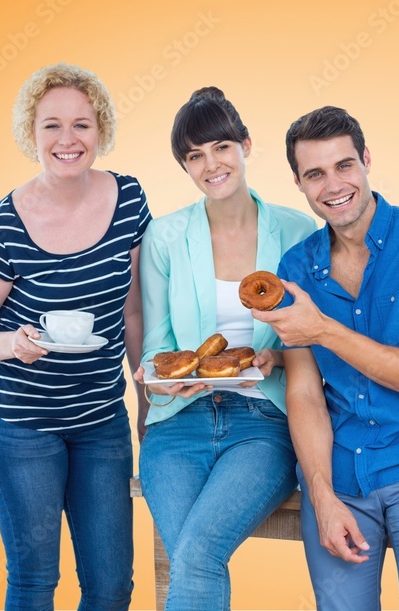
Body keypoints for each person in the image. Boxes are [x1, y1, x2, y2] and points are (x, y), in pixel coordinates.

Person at [251, 106, 399, 611]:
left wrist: (324, 330)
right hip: (341, 474)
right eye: (315, 174)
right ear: (299, 183)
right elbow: (306, 393)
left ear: (366, 160)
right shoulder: (296, 267)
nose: (333, 185)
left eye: (344, 166)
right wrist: (322, 496)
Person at [0, 63, 150, 610]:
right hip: (18, 426)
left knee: (111, 588)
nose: (68, 140)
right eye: (52, 126)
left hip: (100, 423)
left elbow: (134, 311)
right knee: (36, 582)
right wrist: (11, 343)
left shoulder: (129, 199)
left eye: (82, 125)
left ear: (100, 131)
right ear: (31, 134)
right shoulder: (3, 225)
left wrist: (144, 402)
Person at [135, 87, 316, 611]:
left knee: (196, 555)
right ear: (185, 166)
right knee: (193, 557)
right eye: (195, 156)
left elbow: (318, 332)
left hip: (265, 421)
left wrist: (277, 357)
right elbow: (157, 348)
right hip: (179, 421)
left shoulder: (297, 231)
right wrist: (161, 379)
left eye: (220, 147)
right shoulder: (165, 238)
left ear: (245, 146)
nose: (211, 164)